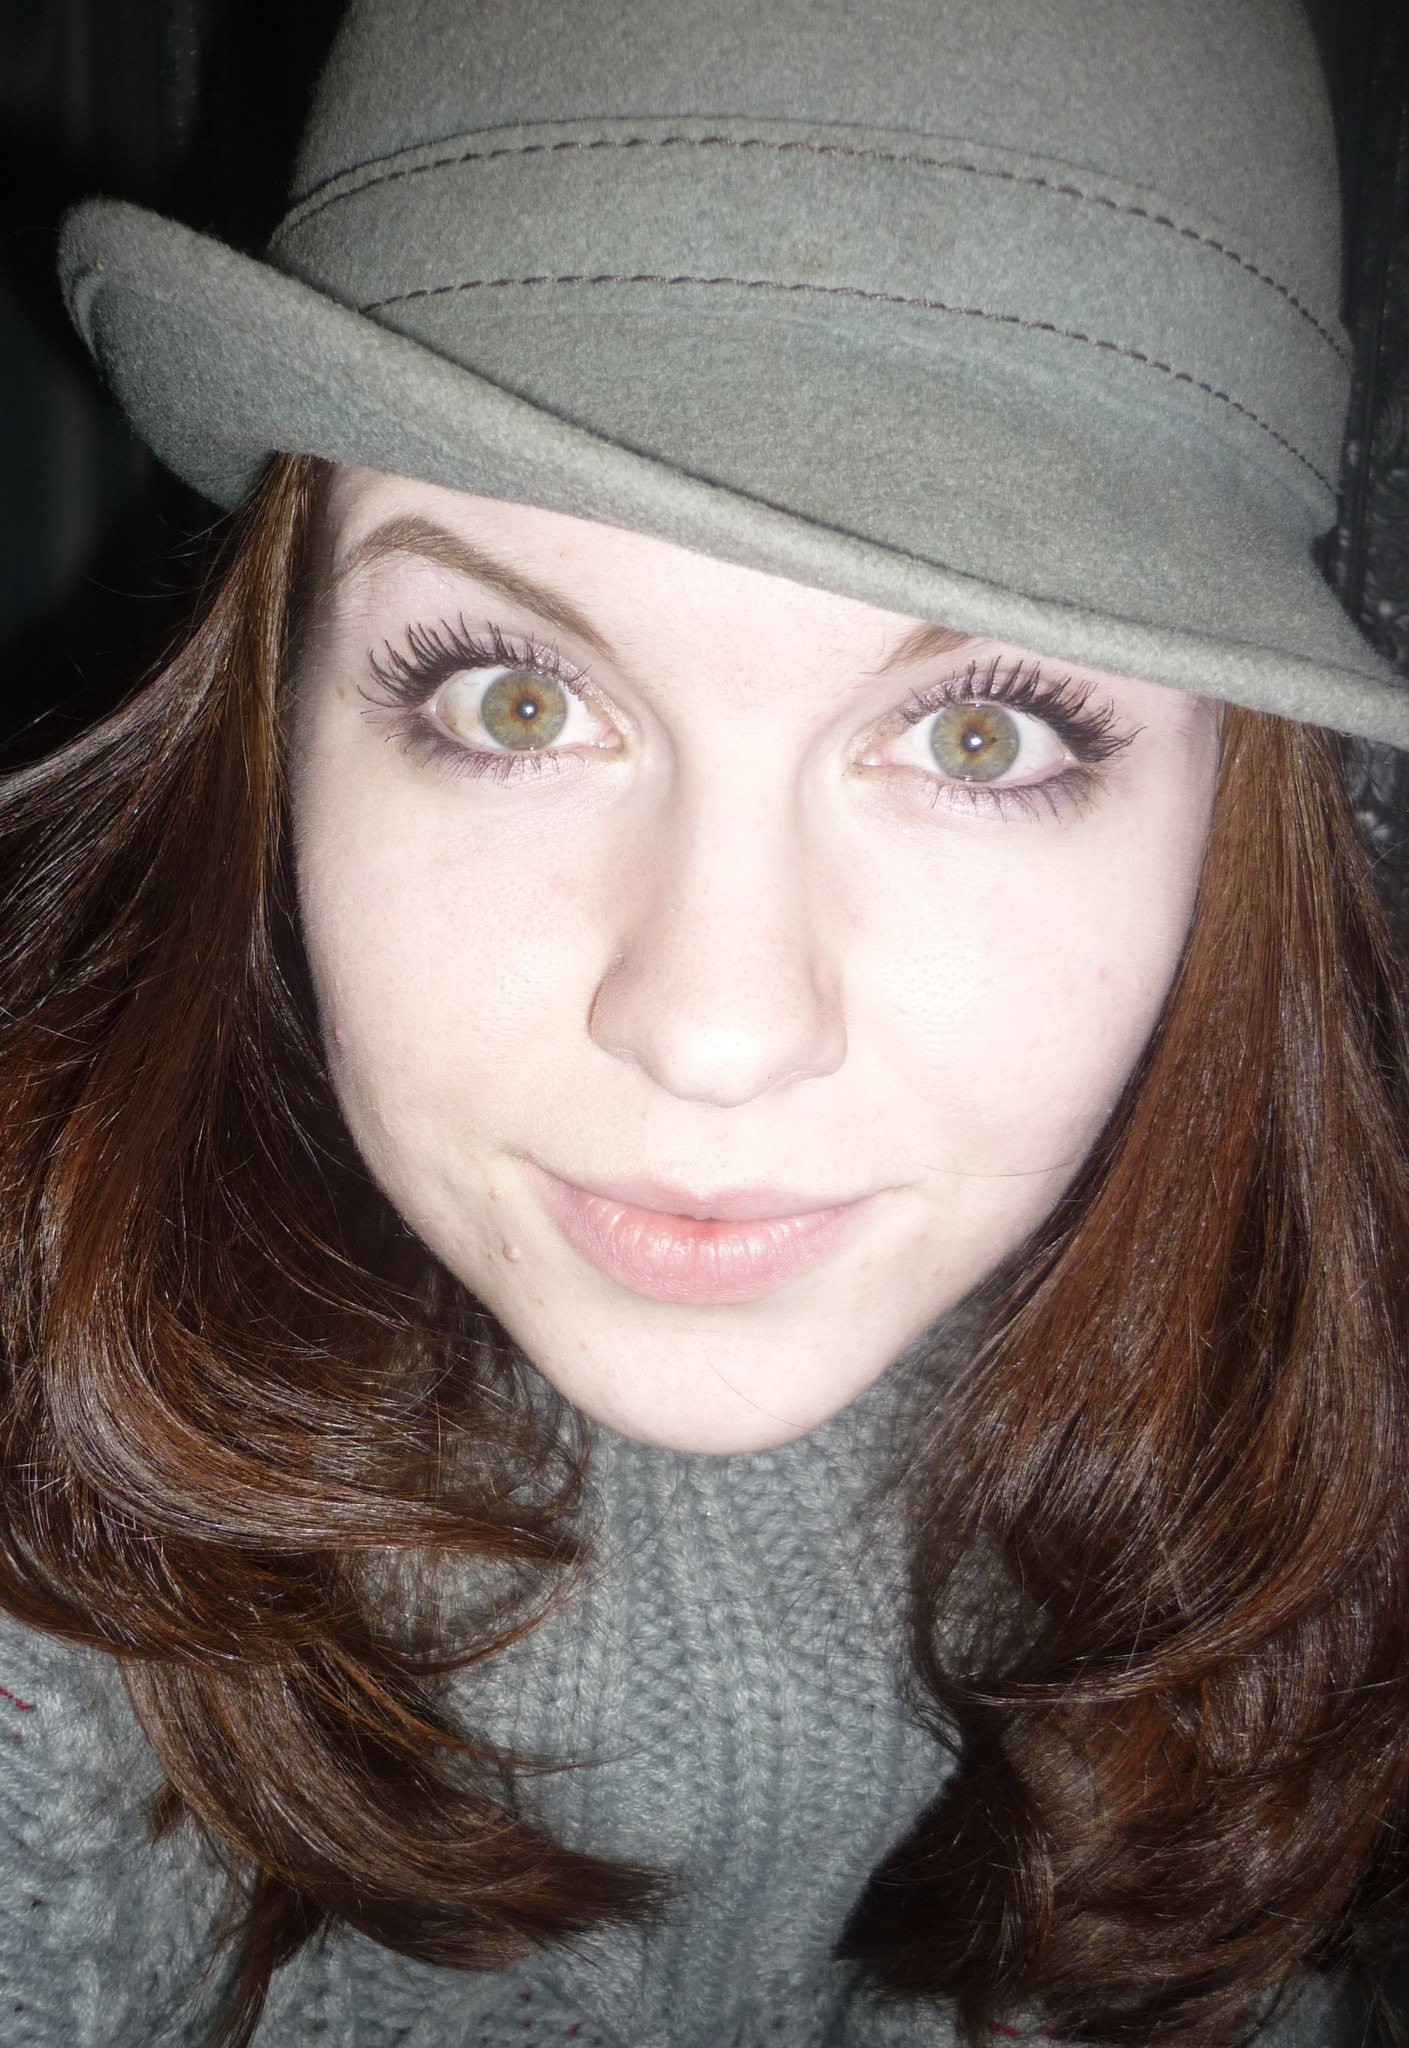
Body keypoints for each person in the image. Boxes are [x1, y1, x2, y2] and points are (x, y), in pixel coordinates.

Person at [3, 0, 1407, 2042]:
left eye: (980, 732)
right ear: (279, 708)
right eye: (515, 699)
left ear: (1231, 812)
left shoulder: (1299, 1551)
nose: (714, 1029)